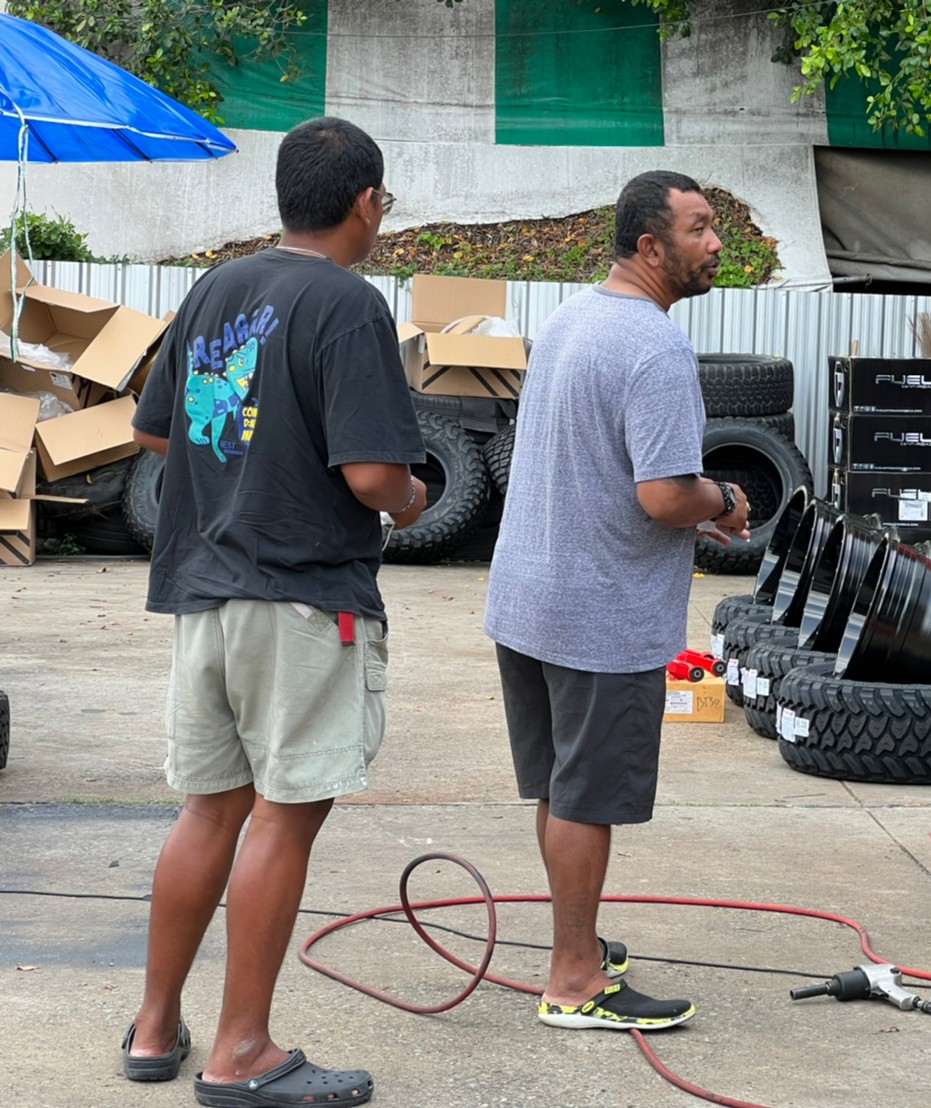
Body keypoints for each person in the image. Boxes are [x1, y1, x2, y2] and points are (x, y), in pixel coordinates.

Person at [123, 116, 425, 1106]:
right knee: (283, 820)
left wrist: (243, 465)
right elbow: (373, 472)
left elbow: (160, 431)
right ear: (365, 203)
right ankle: (241, 1051)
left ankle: (156, 1029)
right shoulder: (348, 304)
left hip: (203, 589)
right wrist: (412, 497)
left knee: (209, 808)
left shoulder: (217, 289)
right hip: (300, 597)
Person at [483, 169, 750, 1032]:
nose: (716, 243)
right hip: (598, 614)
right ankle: (573, 980)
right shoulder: (656, 346)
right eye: (699, 228)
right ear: (649, 245)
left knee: (562, 791)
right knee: (587, 798)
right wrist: (722, 501)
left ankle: (578, 944)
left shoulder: (571, 318)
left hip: (530, 598)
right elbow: (665, 495)